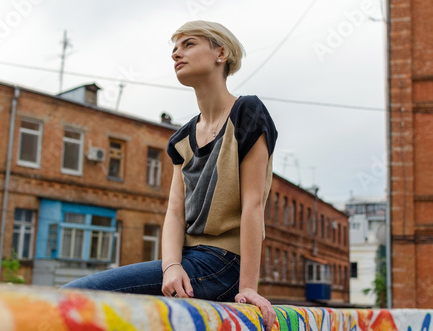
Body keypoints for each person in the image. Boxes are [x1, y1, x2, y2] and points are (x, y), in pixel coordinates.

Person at [61, 20, 278, 331]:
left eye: (188, 44)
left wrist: (248, 288)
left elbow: (253, 205)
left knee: (73, 295)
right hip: (187, 260)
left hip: (223, 261)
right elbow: (175, 213)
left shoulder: (247, 112)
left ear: (221, 53)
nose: (176, 54)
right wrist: (171, 265)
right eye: (174, 48)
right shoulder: (181, 138)